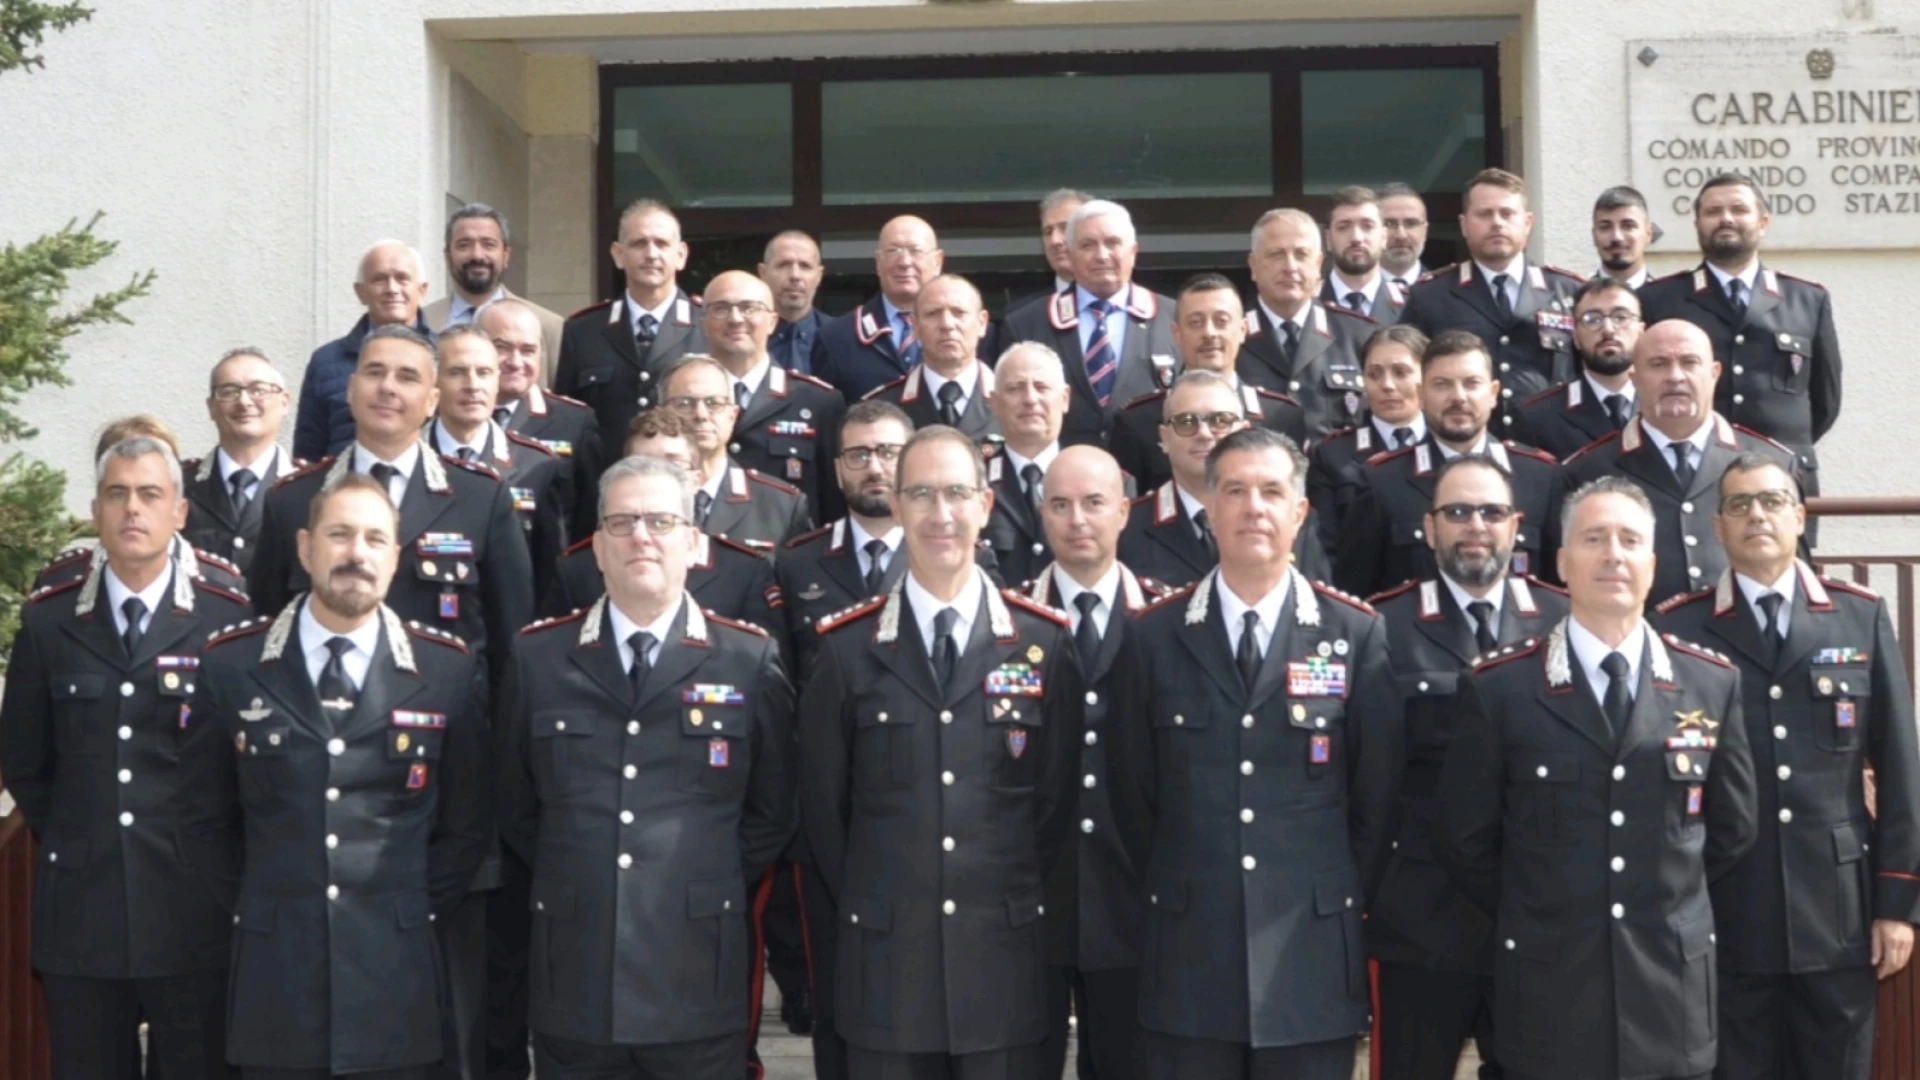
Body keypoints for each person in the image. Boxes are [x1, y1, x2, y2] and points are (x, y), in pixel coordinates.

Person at [1435, 476, 1759, 1080]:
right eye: (1594, 538)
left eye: (1630, 540)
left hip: (1670, 991)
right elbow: (1466, 840)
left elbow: (1731, 832)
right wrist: (1548, 907)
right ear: (1562, 561)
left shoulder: (1712, 684)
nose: (1613, 554)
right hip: (1550, 990)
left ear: (1653, 562)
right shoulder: (1500, 688)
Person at [1106, 427, 1401, 1080]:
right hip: (1190, 957)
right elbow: (1133, 799)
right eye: (1234, 491)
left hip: (1311, 957)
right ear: (1208, 510)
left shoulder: (1355, 634)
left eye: (1272, 491)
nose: (1253, 507)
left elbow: (1375, 805)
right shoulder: (1153, 638)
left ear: (1299, 512)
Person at [177, 472, 490, 1080]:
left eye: (375, 539)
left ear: (395, 558)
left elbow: (466, 826)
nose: (356, 554)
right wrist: (265, 902)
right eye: (340, 534)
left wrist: (408, 909)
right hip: (276, 977)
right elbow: (201, 821)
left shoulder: (446, 669)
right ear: (304, 548)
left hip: (395, 974)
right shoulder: (232, 664)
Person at [799, 425, 1086, 1080]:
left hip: (1003, 968)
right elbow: (825, 817)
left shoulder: (1042, 645)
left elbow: (1054, 807)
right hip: (887, 968)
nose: (941, 513)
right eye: (921, 494)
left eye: (957, 493)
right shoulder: (846, 651)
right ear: (896, 508)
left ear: (986, 505)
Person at [496, 454, 796, 1080]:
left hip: (695, 974)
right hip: (575, 975)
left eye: (660, 521)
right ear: (597, 548)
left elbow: (772, 813)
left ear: (693, 542)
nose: (641, 536)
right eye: (622, 522)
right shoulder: (538, 658)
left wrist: (699, 874)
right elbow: (516, 808)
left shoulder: (748, 658)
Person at [1654, 455, 1920, 1080]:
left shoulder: (1859, 614)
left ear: (1800, 517)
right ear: (1717, 526)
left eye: (1772, 501)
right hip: (1726, 911)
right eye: (1740, 504)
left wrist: (1897, 904)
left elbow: (1901, 766)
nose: (1757, 516)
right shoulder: (1677, 628)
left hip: (1839, 914)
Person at [0, 437, 252, 1080]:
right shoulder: (50, 622)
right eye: (116, 495)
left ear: (179, 513)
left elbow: (245, 770)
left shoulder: (227, 621)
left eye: (148, 495)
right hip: (85, 907)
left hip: (196, 907)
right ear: (95, 510)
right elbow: (26, 760)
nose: (131, 510)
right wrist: (84, 834)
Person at [1364, 454, 1570, 1080]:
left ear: (1517, 525)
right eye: (1456, 512)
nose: (1474, 525)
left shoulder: (1565, 621)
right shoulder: (1382, 625)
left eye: (1490, 511)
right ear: (1429, 529)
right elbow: (1368, 777)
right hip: (1422, 920)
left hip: (1536, 918)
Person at [250, 324, 534, 681]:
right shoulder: (291, 501)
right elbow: (266, 630)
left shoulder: (481, 500)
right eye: (375, 372)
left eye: (407, 377)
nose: (388, 387)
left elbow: (511, 641)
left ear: (432, 401)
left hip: (443, 721)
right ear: (351, 391)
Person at [1027, 445, 1153, 1080]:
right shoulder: (1006, 623)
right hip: (1028, 905)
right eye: (1060, 504)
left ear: (1124, 511)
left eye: (1095, 502)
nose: (1078, 519)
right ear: (1041, 514)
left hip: (1134, 903)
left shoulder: (1165, 623)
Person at [1565, 319, 1797, 607]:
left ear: (1714, 374)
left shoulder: (1773, 464)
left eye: (1689, 362)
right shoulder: (1586, 471)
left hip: (1741, 640)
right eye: (1659, 364)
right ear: (1634, 378)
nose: (1675, 376)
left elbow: (1794, 574)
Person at [1637, 174, 1841, 501]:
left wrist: (1780, 448)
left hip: (1783, 475)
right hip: (1694, 479)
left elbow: (1825, 401)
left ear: (1762, 222)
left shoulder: (1807, 300)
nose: (1726, 218)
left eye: (1738, 209)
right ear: (1698, 224)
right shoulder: (1660, 300)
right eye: (1713, 211)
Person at [1335, 330, 1568, 597]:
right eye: (1442, 384)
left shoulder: (1540, 478)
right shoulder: (1380, 482)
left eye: (1471, 383)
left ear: (1493, 393)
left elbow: (1558, 589)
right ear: (1421, 394)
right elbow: (1356, 594)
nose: (1458, 397)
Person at [540, 409, 782, 637]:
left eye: (672, 464)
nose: (656, 475)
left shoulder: (744, 572)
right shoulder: (578, 570)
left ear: (697, 480)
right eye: (642, 464)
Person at [1398, 168, 1585, 429]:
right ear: (1464, 225)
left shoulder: (1570, 292)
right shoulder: (1429, 296)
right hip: (1465, 447)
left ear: (1528, 223)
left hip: (1551, 448)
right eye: (1485, 214)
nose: (1497, 222)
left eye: (1507, 213)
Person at [1118, 371, 1329, 589]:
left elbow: (1314, 609)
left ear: (1242, 431)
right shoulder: (1126, 526)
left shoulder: (1289, 518)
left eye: (1219, 421)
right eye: (1186, 422)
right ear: (1164, 437)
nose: (1204, 433)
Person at [1001, 199, 1177, 448]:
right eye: (1088, 245)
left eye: (1113, 243)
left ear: (1134, 252)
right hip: (1062, 477)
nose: (1101, 255)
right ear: (1070, 256)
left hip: (1150, 477)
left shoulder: (1173, 317)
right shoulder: (1025, 323)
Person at [1107, 273, 1307, 492]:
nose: (1209, 333)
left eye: (1221, 321)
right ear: (1176, 333)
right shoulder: (1138, 421)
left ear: (1242, 330)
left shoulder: (1282, 417)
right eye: (1196, 323)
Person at [553, 199, 709, 458]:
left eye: (661, 244)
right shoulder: (582, 331)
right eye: (639, 243)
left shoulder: (708, 327)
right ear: (618, 254)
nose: (651, 254)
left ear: (681, 255)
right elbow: (565, 422)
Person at [426, 325, 569, 605]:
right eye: (457, 372)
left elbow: (549, 572)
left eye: (484, 373)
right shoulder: (409, 459)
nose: (473, 385)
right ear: (434, 383)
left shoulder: (537, 466)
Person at [38, 415, 248, 598]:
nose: (133, 507)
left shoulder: (221, 582)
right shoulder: (59, 579)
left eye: (149, 491)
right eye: (119, 492)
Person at [698, 269, 847, 519]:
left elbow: (833, 503)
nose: (735, 319)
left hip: (784, 553)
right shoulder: (677, 397)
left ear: (772, 321)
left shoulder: (818, 402)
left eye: (749, 308)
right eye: (721, 309)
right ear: (703, 323)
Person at [1237, 208, 1380, 439]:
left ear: (1318, 263)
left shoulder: (1360, 336)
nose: (1290, 267)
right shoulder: (1231, 335)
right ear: (1253, 266)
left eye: (1301, 254)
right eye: (1276, 254)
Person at [295, 240, 435, 461]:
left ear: (422, 289)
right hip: (343, 488)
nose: (391, 289)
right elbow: (308, 454)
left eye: (402, 278)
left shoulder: (446, 358)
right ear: (361, 292)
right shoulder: (325, 362)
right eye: (379, 279)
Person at [660, 354, 813, 551]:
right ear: (661, 413)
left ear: (732, 415)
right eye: (684, 404)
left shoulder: (781, 506)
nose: (701, 414)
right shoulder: (630, 496)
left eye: (713, 403)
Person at [482, 296, 606, 539]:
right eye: (502, 348)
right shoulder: (446, 414)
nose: (516, 362)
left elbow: (589, 519)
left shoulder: (574, 422)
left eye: (528, 350)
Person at [1305, 325, 1429, 553]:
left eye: (1401, 372)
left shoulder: (1448, 445)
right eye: (1374, 374)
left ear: (1427, 376)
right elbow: (1325, 546)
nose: (1387, 385)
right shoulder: (1333, 455)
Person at [183, 348, 296, 573]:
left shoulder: (308, 490)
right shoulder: (179, 486)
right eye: (229, 391)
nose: (244, 401)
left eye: (259, 390)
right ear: (211, 407)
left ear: (285, 402)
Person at [811, 215, 947, 400]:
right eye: (893, 251)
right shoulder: (835, 338)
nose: (905, 262)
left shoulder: (972, 333)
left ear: (937, 261)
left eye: (916, 251)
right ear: (877, 262)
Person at [1512, 279, 1644, 461]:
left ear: (1641, 331)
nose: (1608, 329)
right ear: (1575, 337)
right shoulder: (1537, 416)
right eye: (1592, 319)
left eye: (1620, 317)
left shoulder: (1666, 404)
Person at [865, 273, 1002, 444]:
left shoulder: (1013, 400)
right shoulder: (883, 407)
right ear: (915, 326)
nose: (947, 324)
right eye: (933, 313)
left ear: (982, 323)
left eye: (958, 312)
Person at [423, 203, 563, 366]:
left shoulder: (549, 327)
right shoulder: (419, 324)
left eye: (488, 244)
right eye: (464, 245)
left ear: (505, 255)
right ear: (447, 256)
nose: (477, 255)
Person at [983, 342, 1074, 587]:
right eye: (1015, 388)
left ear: (1065, 399)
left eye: (1042, 387)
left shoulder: (1101, 481)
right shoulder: (973, 481)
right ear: (994, 403)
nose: (1030, 399)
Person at [1318, 186, 1407, 323]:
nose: (1356, 238)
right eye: (1343, 227)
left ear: (1384, 236)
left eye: (1367, 226)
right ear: (1328, 239)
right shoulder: (1307, 304)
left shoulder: (1411, 305)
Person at [1005, 188, 1092, 317]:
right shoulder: (1021, 316)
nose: (1055, 240)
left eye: (1065, 228)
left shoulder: (1129, 302)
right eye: (1048, 232)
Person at [761, 229, 829, 376]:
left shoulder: (840, 338)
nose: (795, 275)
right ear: (763, 273)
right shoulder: (744, 335)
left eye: (805, 266)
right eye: (784, 265)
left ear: (819, 276)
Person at [1592, 186, 1655, 290]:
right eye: (1605, 227)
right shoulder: (1578, 301)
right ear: (1594, 236)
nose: (1617, 237)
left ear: (1648, 234)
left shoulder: (1667, 303)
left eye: (1628, 226)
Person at [1377, 183, 1431, 289]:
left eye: (1411, 223)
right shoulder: (1353, 293)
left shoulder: (1447, 292)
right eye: (1389, 224)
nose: (1401, 235)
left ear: (1425, 231)